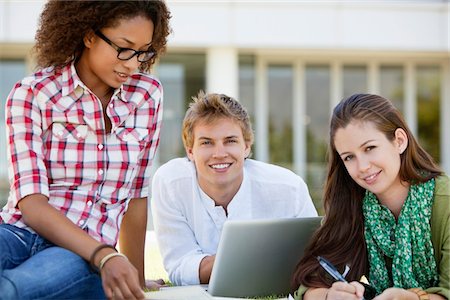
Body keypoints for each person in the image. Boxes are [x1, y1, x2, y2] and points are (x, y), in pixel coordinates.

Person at [0, 1, 171, 299]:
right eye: (124, 48)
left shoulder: (147, 95)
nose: (133, 63)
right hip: (17, 233)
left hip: (82, 254)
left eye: (143, 51)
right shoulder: (33, 94)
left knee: (16, 290)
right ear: (89, 36)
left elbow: (136, 195)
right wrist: (107, 256)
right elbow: (31, 203)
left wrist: (133, 276)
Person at [291, 93, 449, 300]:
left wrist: (413, 299)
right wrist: (330, 295)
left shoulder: (444, 200)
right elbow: (308, 282)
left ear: (399, 141)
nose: (362, 167)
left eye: (370, 148)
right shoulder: (353, 200)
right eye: (349, 157)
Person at [151, 91, 318, 286]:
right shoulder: (170, 183)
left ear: (246, 146)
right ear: (190, 151)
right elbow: (180, 267)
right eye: (207, 143)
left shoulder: (289, 188)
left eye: (230, 141)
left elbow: (315, 260)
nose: (219, 154)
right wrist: (259, 260)